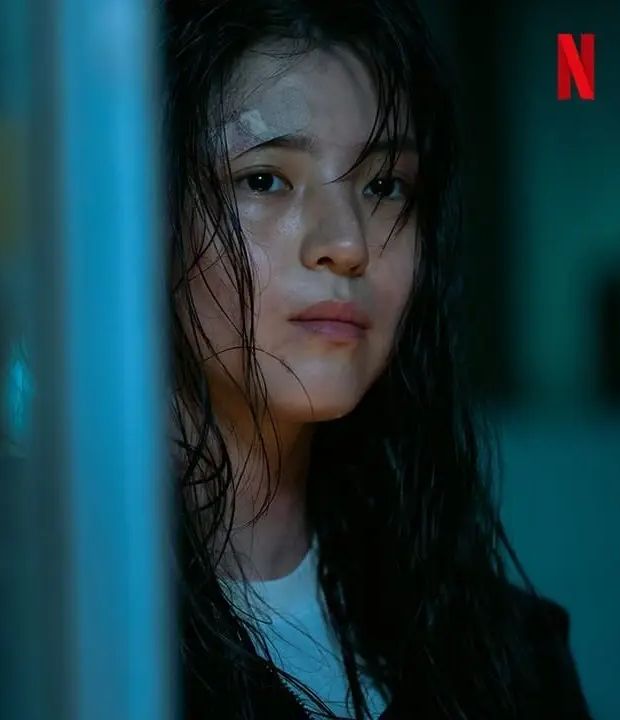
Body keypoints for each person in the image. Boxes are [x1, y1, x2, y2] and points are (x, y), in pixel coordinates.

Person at [162, 1, 591, 717]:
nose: (348, 243)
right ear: (145, 213)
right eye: (265, 179)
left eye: (385, 186)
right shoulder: (31, 627)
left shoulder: (504, 650)